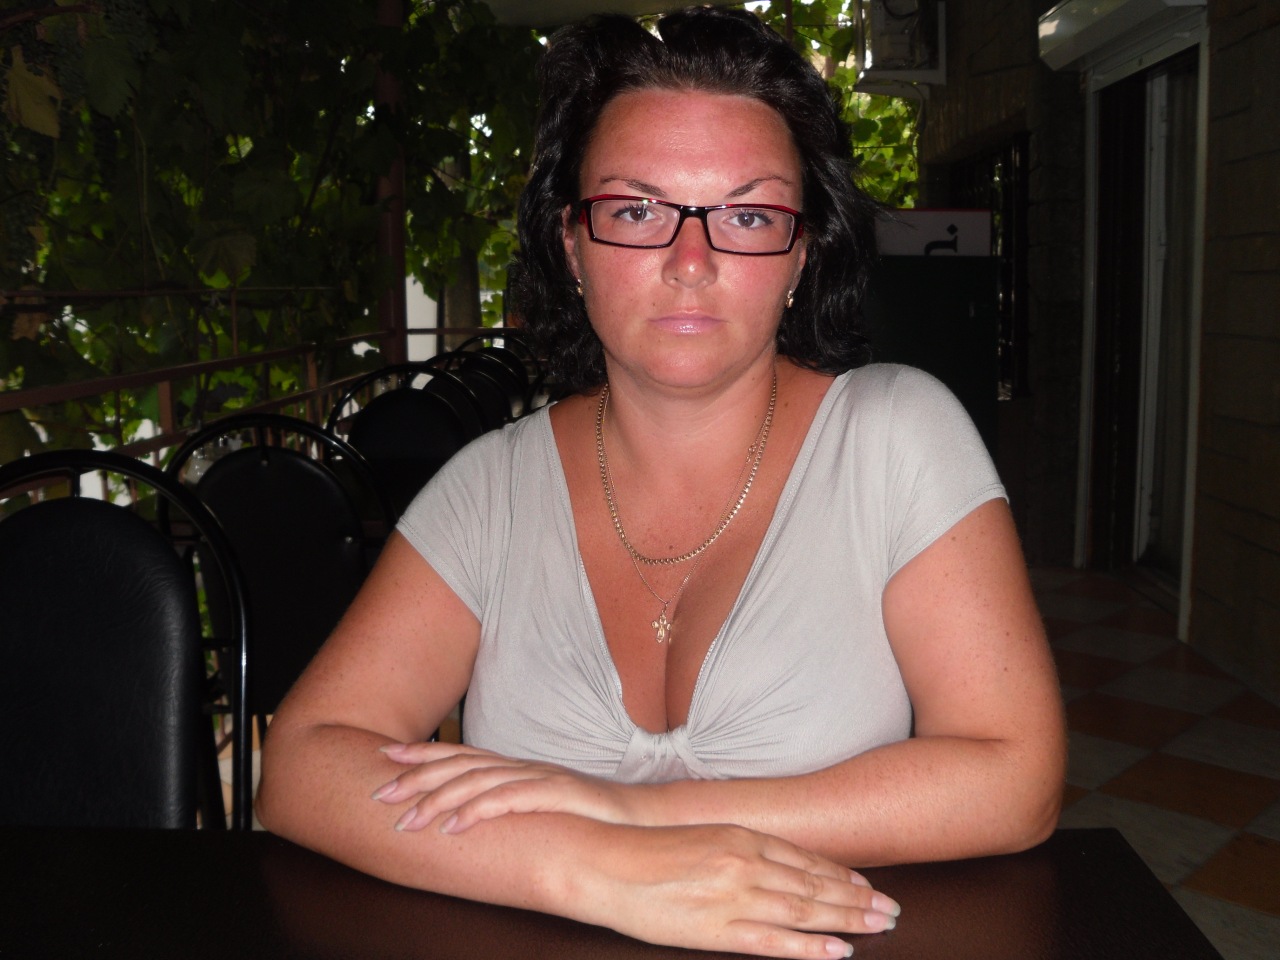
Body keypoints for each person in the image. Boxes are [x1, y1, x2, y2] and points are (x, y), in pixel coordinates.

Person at [256, 8, 1066, 959]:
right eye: (637, 211)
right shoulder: (489, 491)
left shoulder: (895, 436)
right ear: (572, 243)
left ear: (802, 254)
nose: (691, 263)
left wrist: (634, 812)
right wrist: (591, 865)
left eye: (748, 215)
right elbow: (302, 765)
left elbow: (1015, 778)